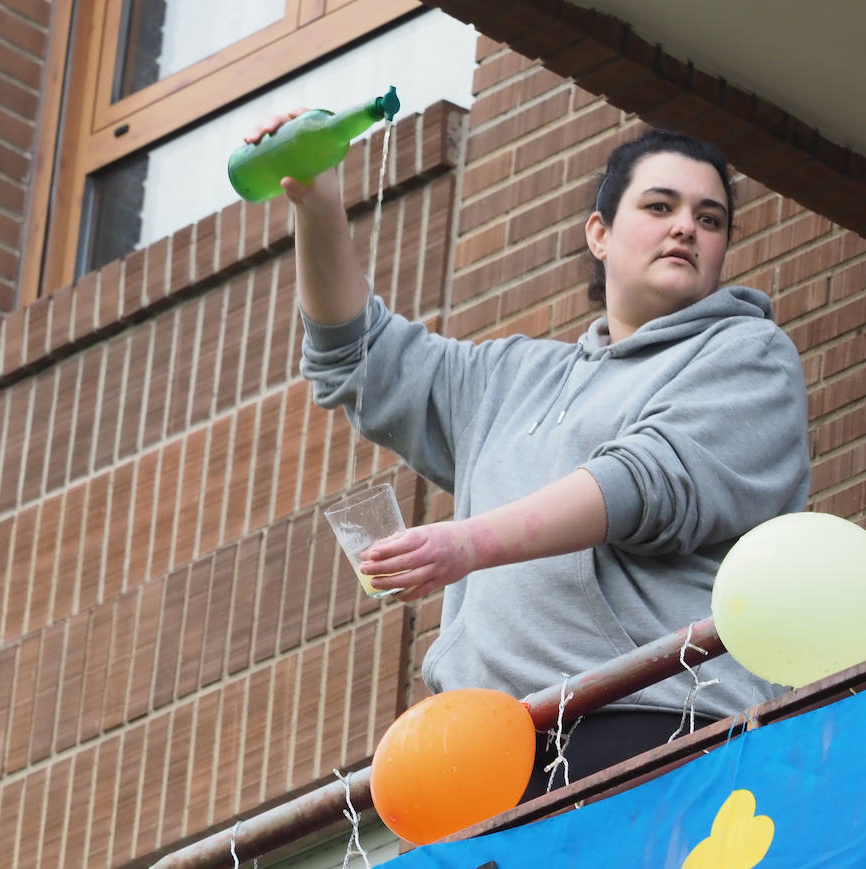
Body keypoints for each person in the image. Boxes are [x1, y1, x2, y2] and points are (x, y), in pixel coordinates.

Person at [246, 115, 812, 799]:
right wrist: (316, 199)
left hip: (656, 728)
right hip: (481, 759)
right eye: (660, 206)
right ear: (598, 233)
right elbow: (355, 355)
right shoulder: (510, 378)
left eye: (710, 218)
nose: (687, 227)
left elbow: (646, 481)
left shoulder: (748, 355)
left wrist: (469, 541)